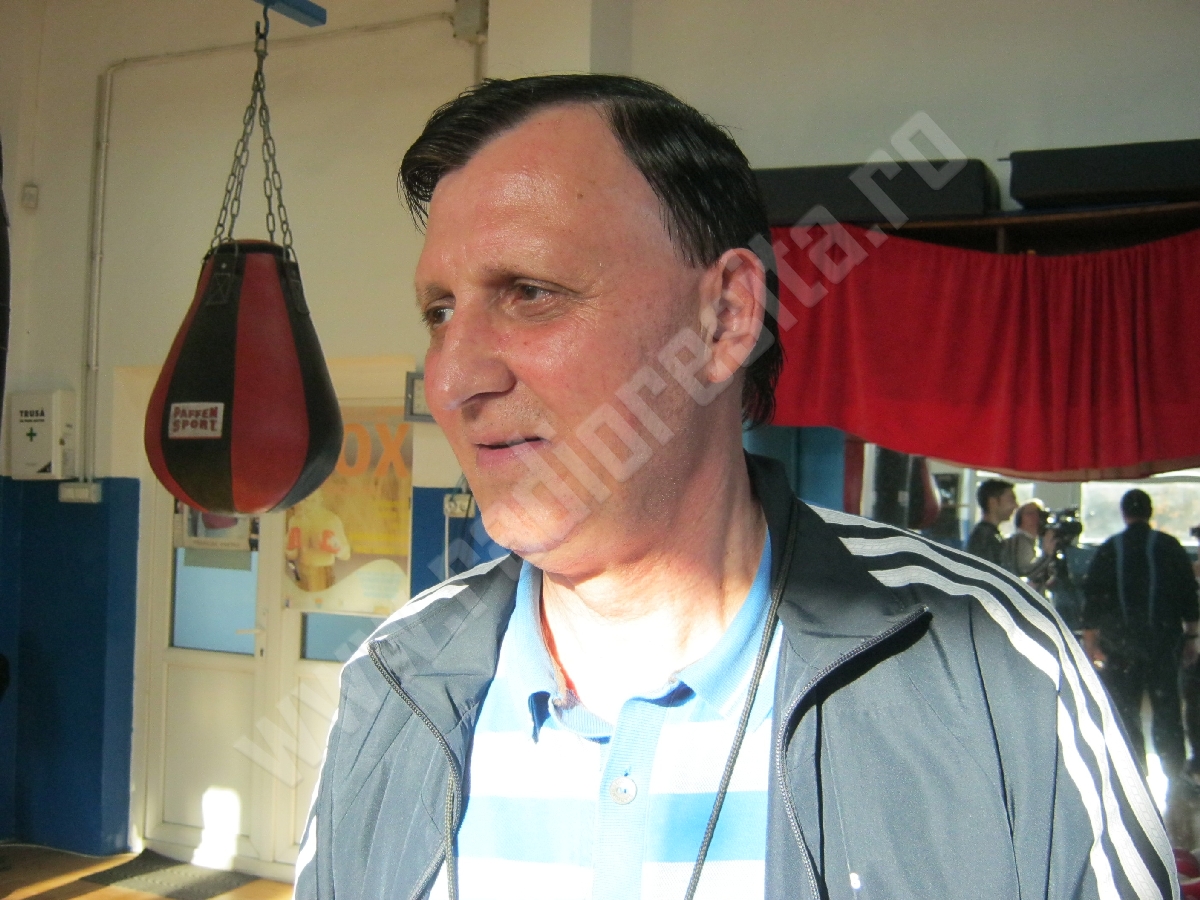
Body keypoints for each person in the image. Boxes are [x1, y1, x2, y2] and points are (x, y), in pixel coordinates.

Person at [296, 75, 1176, 900]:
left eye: (530, 292)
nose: (454, 378)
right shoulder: (397, 681)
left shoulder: (991, 667)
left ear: (724, 318)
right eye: (440, 311)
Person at [1083, 489, 1199, 781]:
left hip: (1121, 646)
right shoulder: (1170, 547)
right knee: (1167, 710)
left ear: (1124, 514)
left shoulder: (1110, 549)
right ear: (1150, 512)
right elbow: (1189, 595)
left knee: (1126, 712)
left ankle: (1133, 776)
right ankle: (1174, 774)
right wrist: (1191, 638)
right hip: (1164, 642)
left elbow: (1094, 598)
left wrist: (1091, 643)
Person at [1002, 499, 1057, 593]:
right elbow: (1024, 572)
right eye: (1030, 513)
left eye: (1039, 513)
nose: (1035, 517)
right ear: (1019, 519)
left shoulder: (1036, 542)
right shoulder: (1018, 541)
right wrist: (1047, 555)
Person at [966, 478, 1016, 566]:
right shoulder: (984, 538)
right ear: (993, 502)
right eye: (1011, 499)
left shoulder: (989, 534)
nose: (1016, 505)